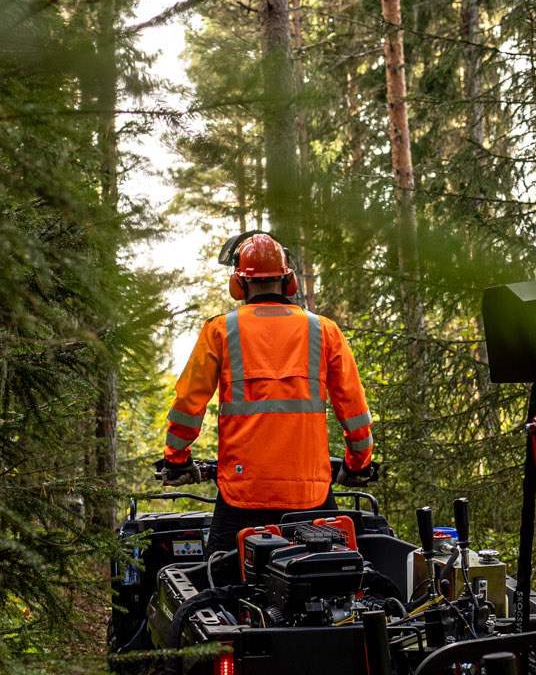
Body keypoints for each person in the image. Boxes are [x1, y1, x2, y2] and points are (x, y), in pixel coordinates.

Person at [157, 232, 376, 555]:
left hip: (242, 496)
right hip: (311, 496)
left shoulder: (220, 330)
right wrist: (358, 465)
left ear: (238, 283)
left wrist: (176, 460)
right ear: (288, 280)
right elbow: (353, 410)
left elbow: (188, 405)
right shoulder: (324, 330)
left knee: (221, 578)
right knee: (329, 579)